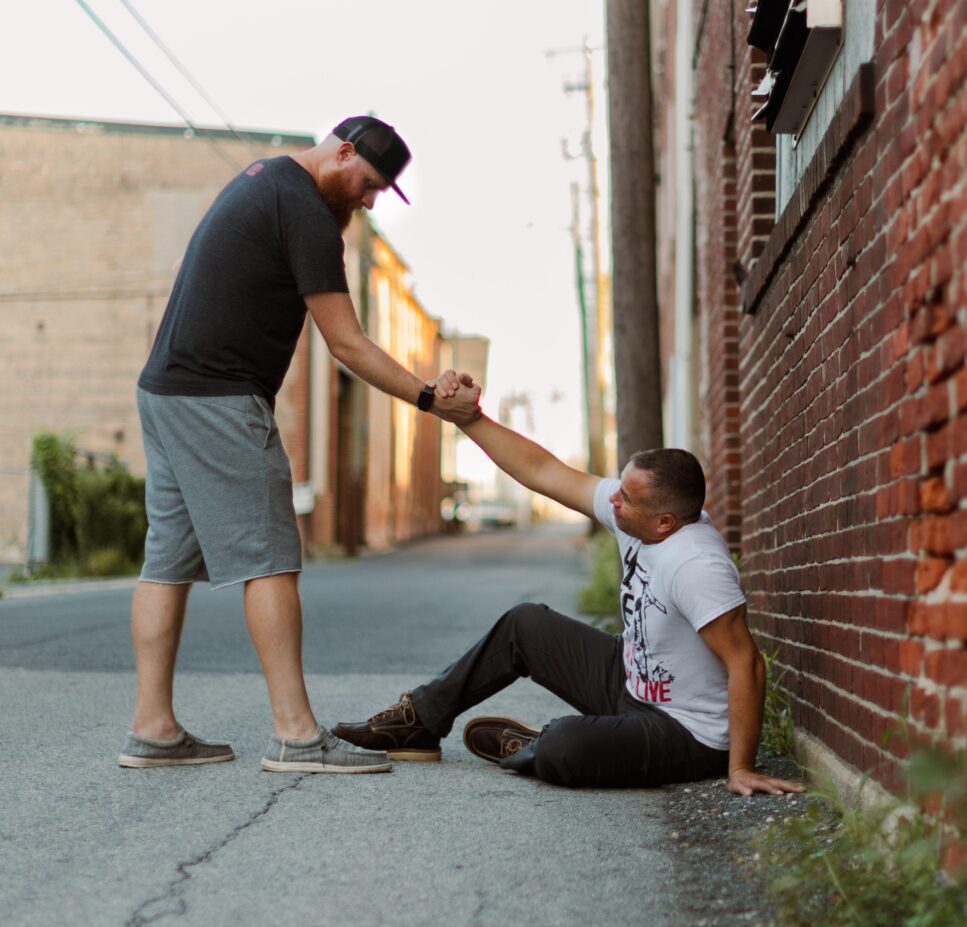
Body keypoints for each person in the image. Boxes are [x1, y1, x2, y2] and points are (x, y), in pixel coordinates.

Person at [118, 115, 480, 775]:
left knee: (167, 562)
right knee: (272, 560)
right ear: (342, 152)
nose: (369, 202)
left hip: (165, 390)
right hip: (217, 398)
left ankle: (154, 729)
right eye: (369, 184)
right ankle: (296, 735)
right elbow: (346, 343)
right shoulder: (307, 213)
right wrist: (429, 398)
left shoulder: (264, 178)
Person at [334, 409, 803, 796]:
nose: (612, 501)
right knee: (526, 625)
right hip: (630, 684)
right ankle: (420, 719)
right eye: (618, 489)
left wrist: (739, 768)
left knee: (565, 745)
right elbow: (543, 470)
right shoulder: (637, 514)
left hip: (686, 732)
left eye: (626, 498)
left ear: (665, 522)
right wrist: (468, 418)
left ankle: (536, 745)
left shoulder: (695, 564)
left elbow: (747, 663)